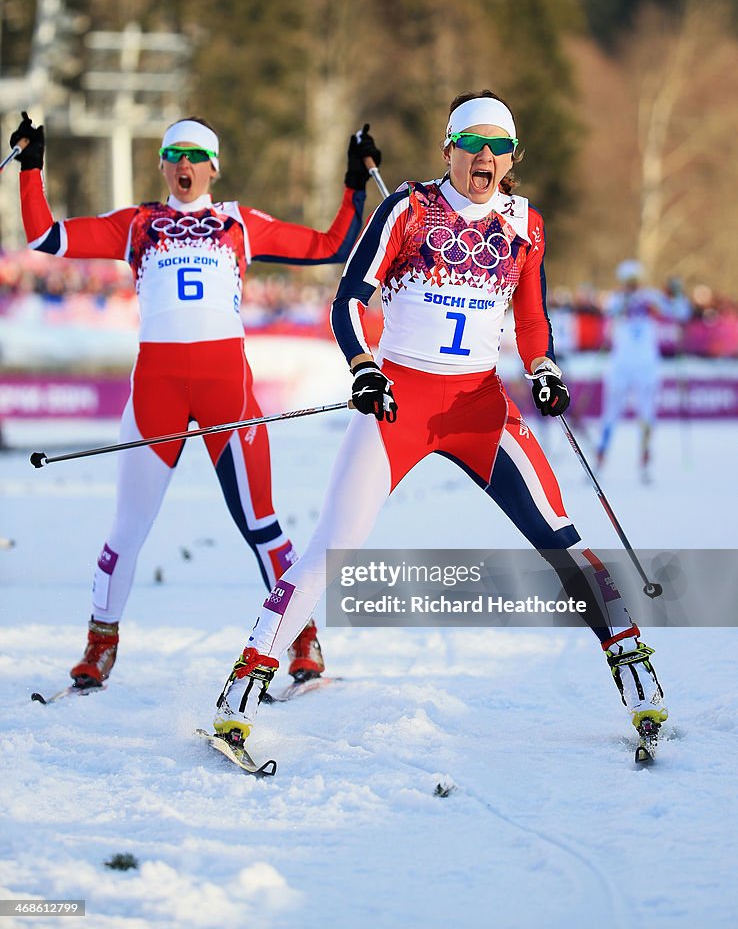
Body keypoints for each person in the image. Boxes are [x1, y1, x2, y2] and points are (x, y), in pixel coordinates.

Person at [212, 91, 668, 750]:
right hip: (401, 402)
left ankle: (633, 669)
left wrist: (543, 365)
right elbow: (348, 301)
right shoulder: (408, 208)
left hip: (479, 406)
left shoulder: (525, 222)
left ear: (512, 157)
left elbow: (532, 316)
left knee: (560, 538)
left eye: (497, 147)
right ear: (447, 148)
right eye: (470, 144)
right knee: (332, 548)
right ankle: (244, 686)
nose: (483, 157)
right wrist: (364, 367)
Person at [10, 111, 382, 688]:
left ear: (214, 167)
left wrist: (353, 181)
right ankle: (99, 643)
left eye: (195, 158)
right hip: (156, 391)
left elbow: (333, 245)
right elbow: (45, 237)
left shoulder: (240, 222)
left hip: (226, 393)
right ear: (162, 165)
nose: (185, 167)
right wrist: (32, 168)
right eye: (174, 157)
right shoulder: (138, 223)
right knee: (127, 529)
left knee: (262, 526)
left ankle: (301, 638)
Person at [596, 259, 691, 483]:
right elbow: (609, 312)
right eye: (628, 281)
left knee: (646, 414)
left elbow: (681, 313)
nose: (632, 285)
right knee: (610, 413)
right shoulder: (617, 298)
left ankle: (645, 464)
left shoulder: (650, 298)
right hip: (620, 365)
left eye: (635, 281)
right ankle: (600, 461)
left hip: (646, 366)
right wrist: (626, 302)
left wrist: (677, 295)